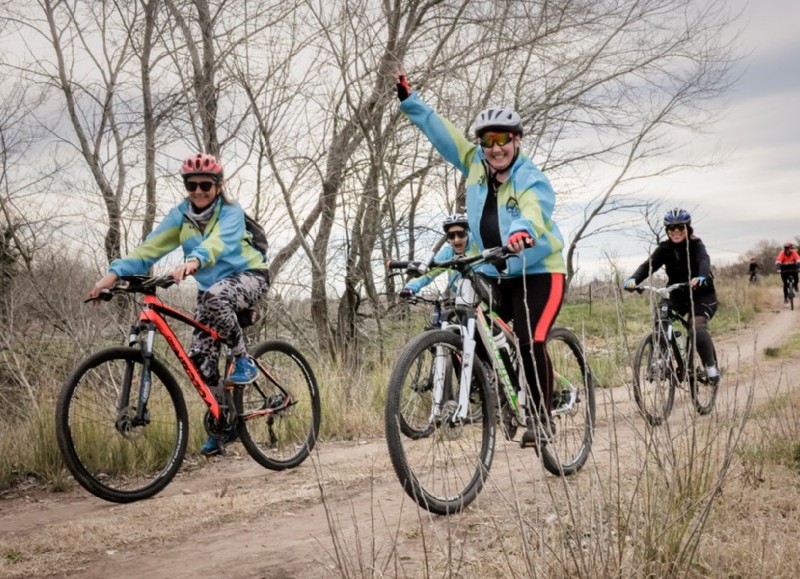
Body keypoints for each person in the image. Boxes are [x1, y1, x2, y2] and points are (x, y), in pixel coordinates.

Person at [392, 65, 567, 446]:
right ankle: (502, 395)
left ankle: (542, 415)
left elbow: (534, 209)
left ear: (517, 141)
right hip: (495, 270)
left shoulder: (529, 177)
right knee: (480, 331)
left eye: (503, 138)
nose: (495, 147)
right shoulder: (473, 163)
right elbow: (441, 132)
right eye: (488, 140)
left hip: (539, 271)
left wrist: (524, 231)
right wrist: (410, 101)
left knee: (529, 338)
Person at [89, 153, 270, 456]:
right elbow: (149, 249)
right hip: (210, 287)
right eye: (191, 185)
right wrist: (111, 275)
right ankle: (224, 422)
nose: (198, 191)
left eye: (205, 185)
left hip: (248, 275)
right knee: (199, 359)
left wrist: (194, 261)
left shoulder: (231, 212)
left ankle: (243, 359)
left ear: (218, 186)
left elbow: (217, 244)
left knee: (214, 297)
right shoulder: (180, 216)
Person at [623, 208, 720, 385]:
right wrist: (633, 279)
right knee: (661, 317)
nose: (676, 232)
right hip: (677, 293)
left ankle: (711, 367)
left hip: (702, 295)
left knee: (696, 328)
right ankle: (662, 359)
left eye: (680, 228)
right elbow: (648, 266)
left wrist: (701, 276)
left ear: (687, 229)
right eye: (671, 229)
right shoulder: (665, 248)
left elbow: (704, 261)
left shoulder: (696, 245)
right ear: (667, 231)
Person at [399, 213, 480, 299]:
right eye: (451, 236)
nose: (456, 239)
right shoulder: (448, 253)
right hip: (461, 298)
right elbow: (428, 273)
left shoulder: (477, 242)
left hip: (485, 294)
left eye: (461, 234)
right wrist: (410, 288)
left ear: (467, 233)